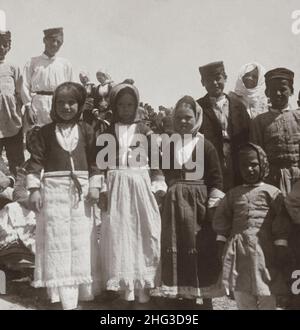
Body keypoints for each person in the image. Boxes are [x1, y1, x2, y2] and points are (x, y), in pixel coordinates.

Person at [25, 82, 100, 310]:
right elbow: (35, 161)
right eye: (61, 102)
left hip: (81, 193)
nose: (66, 107)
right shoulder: (45, 132)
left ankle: (83, 292)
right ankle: (59, 295)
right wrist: (34, 189)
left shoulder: (87, 130)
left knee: (80, 239)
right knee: (57, 239)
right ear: (54, 104)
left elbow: (96, 161)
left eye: (71, 102)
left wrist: (96, 185)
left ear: (79, 105)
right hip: (54, 191)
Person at [97, 83, 166, 305]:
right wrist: (102, 187)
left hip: (139, 183)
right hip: (116, 183)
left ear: (136, 106)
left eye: (130, 105)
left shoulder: (146, 131)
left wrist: (158, 183)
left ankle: (143, 288)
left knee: (143, 232)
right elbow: (100, 163)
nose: (126, 109)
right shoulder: (107, 132)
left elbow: (155, 160)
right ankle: (124, 289)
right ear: (114, 106)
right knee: (119, 233)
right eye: (121, 104)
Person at [154, 96, 224, 309]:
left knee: (200, 245)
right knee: (176, 244)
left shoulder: (206, 146)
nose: (183, 122)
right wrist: (162, 189)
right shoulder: (168, 145)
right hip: (174, 204)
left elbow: (216, 177)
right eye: (179, 118)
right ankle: (180, 292)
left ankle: (205, 294)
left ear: (197, 118)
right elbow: (162, 173)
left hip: (199, 204)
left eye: (188, 117)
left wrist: (213, 204)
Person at [213, 143, 289, 310]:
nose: (249, 169)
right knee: (242, 294)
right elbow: (223, 218)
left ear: (263, 164)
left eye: (254, 164)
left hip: (265, 251)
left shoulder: (273, 193)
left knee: (266, 293)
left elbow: (281, 220)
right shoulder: (233, 194)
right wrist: (220, 242)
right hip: (239, 252)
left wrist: (281, 245)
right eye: (244, 166)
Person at [197, 61, 250, 192]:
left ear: (225, 78)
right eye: (209, 80)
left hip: (237, 165)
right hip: (211, 166)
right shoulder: (198, 108)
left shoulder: (238, 106)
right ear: (203, 82)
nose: (215, 83)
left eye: (218, 78)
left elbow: (249, 136)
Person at [250, 68, 300, 196]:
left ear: (291, 91)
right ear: (267, 92)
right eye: (273, 90)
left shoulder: (298, 117)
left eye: (283, 89)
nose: (278, 93)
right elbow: (256, 154)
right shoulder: (259, 122)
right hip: (272, 180)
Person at [21, 27, 73, 132]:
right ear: (44, 40)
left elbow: (70, 89)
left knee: (56, 138)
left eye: (59, 42)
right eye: (52, 40)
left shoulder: (65, 64)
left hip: (58, 105)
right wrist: (28, 108)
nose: (55, 44)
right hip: (37, 106)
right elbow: (24, 86)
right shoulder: (33, 62)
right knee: (36, 139)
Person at [0, 30, 24, 176]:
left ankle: (18, 188)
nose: (1, 48)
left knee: (16, 158)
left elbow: (20, 92)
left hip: (12, 120)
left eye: (4, 45)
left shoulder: (13, 67)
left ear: (9, 46)